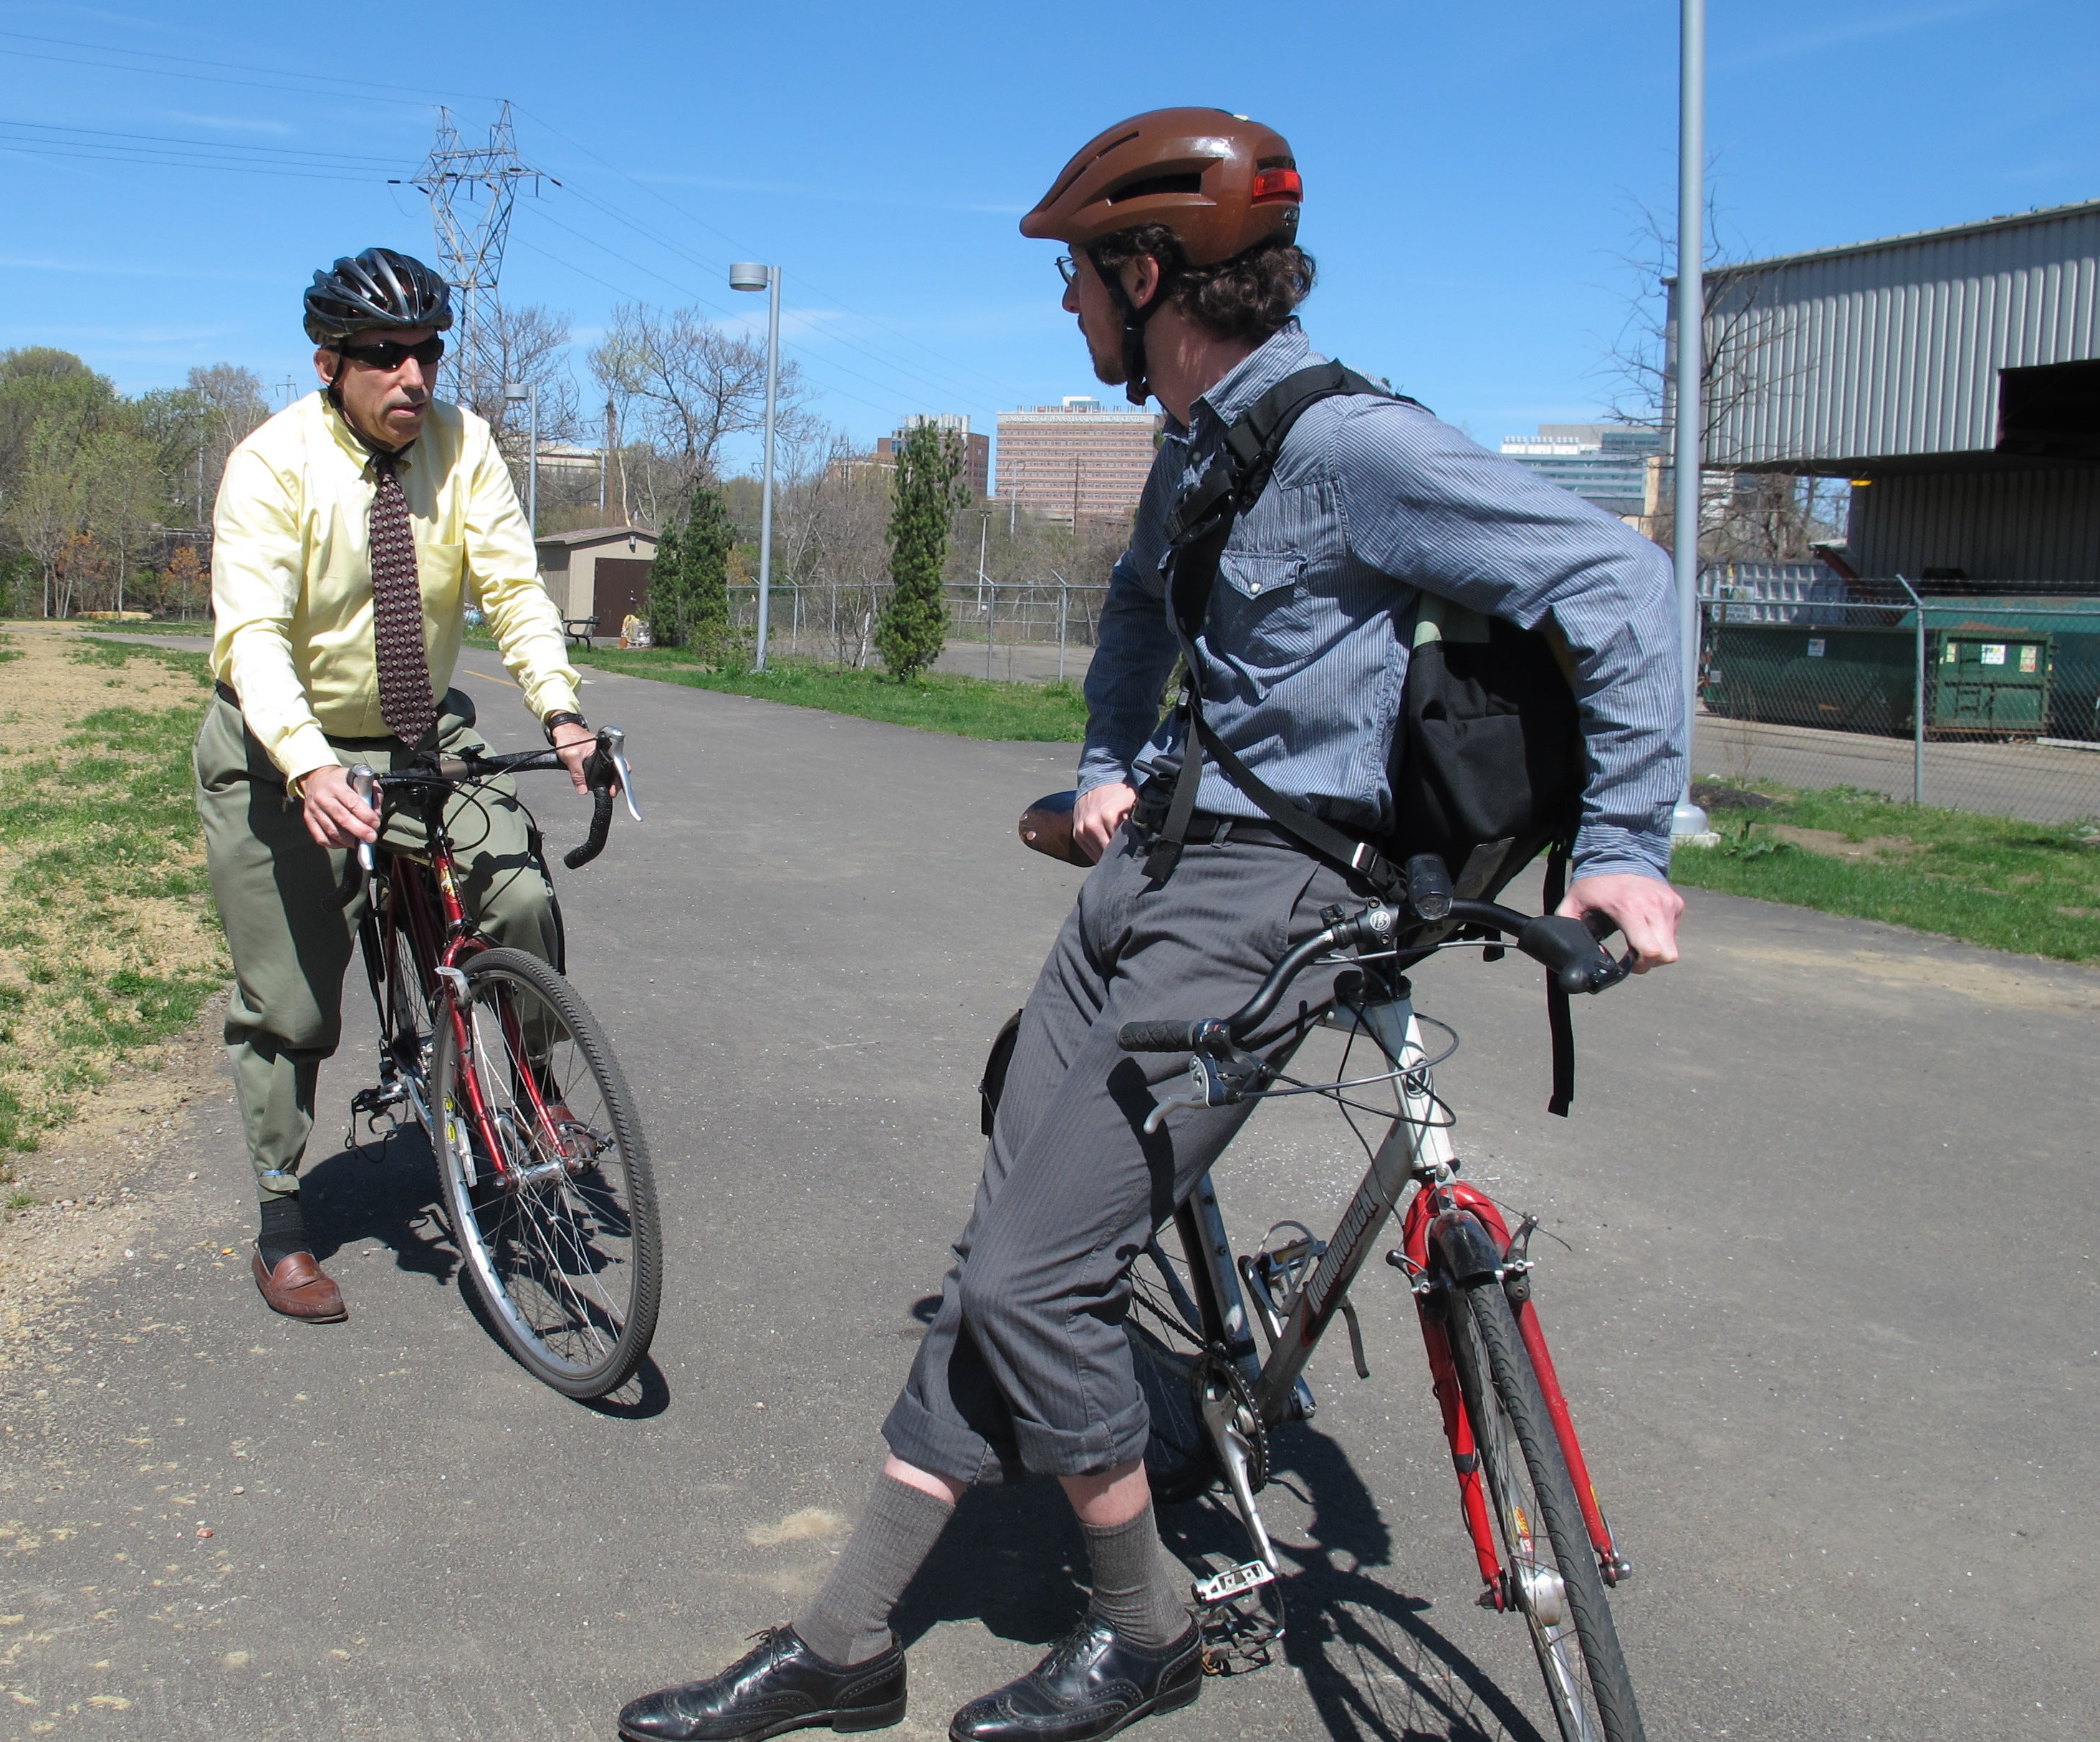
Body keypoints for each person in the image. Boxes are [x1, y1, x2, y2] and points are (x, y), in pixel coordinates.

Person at [615, 109, 1687, 1742]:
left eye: (1075, 277)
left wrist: (1619, 845)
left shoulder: (1352, 448)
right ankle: (848, 1641)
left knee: (1043, 1281)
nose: (1065, 310)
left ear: (1148, 271)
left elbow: (1618, 581)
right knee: (1002, 1257)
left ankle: (1147, 1627)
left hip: (1267, 894)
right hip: (1154, 870)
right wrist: (1109, 766)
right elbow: (1134, 609)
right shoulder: (1198, 446)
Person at [196, 246, 596, 1324]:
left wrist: (559, 709)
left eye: (427, 352)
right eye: (385, 356)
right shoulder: (273, 464)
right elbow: (254, 637)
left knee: (513, 891)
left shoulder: (464, 448)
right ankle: (283, 1222)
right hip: (287, 746)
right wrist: (309, 760)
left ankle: (533, 1087)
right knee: (289, 1001)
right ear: (330, 362)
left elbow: (513, 587)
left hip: (418, 734)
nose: (414, 376)